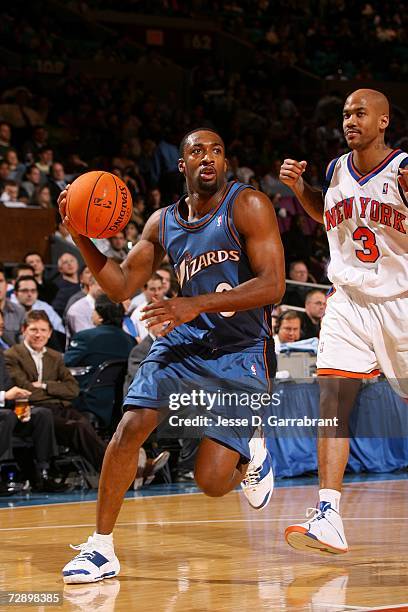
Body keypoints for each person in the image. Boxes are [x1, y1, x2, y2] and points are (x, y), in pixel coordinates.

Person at [59, 127, 285, 583]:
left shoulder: (249, 205)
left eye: (217, 151)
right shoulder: (162, 222)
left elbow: (273, 285)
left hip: (242, 350)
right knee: (131, 425)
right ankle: (101, 548)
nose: (209, 158)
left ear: (225, 163)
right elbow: (122, 285)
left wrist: (193, 303)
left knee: (211, 482)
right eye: (197, 151)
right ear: (181, 165)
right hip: (187, 340)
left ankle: (251, 453)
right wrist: (81, 235)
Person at [279, 89, 408, 554]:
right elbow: (326, 212)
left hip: (401, 301)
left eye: (360, 113)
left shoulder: (403, 170)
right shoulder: (336, 168)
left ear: (383, 121)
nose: (350, 120)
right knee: (332, 400)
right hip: (348, 300)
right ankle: (329, 514)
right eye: (346, 114)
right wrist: (300, 191)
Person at [5, 310, 107, 473]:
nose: (39, 335)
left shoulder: (55, 356)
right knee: (78, 428)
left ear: (50, 332)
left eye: (43, 330)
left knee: (85, 424)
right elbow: (25, 391)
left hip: (62, 407)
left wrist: (44, 385)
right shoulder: (12, 356)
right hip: (37, 411)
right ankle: (119, 471)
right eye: (34, 330)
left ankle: (120, 469)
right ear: (24, 330)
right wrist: (57, 388)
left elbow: (73, 389)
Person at [64, 295, 135, 427]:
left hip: (89, 400)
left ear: (101, 316)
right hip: (120, 400)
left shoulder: (85, 338)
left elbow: (65, 363)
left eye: (94, 310)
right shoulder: (130, 340)